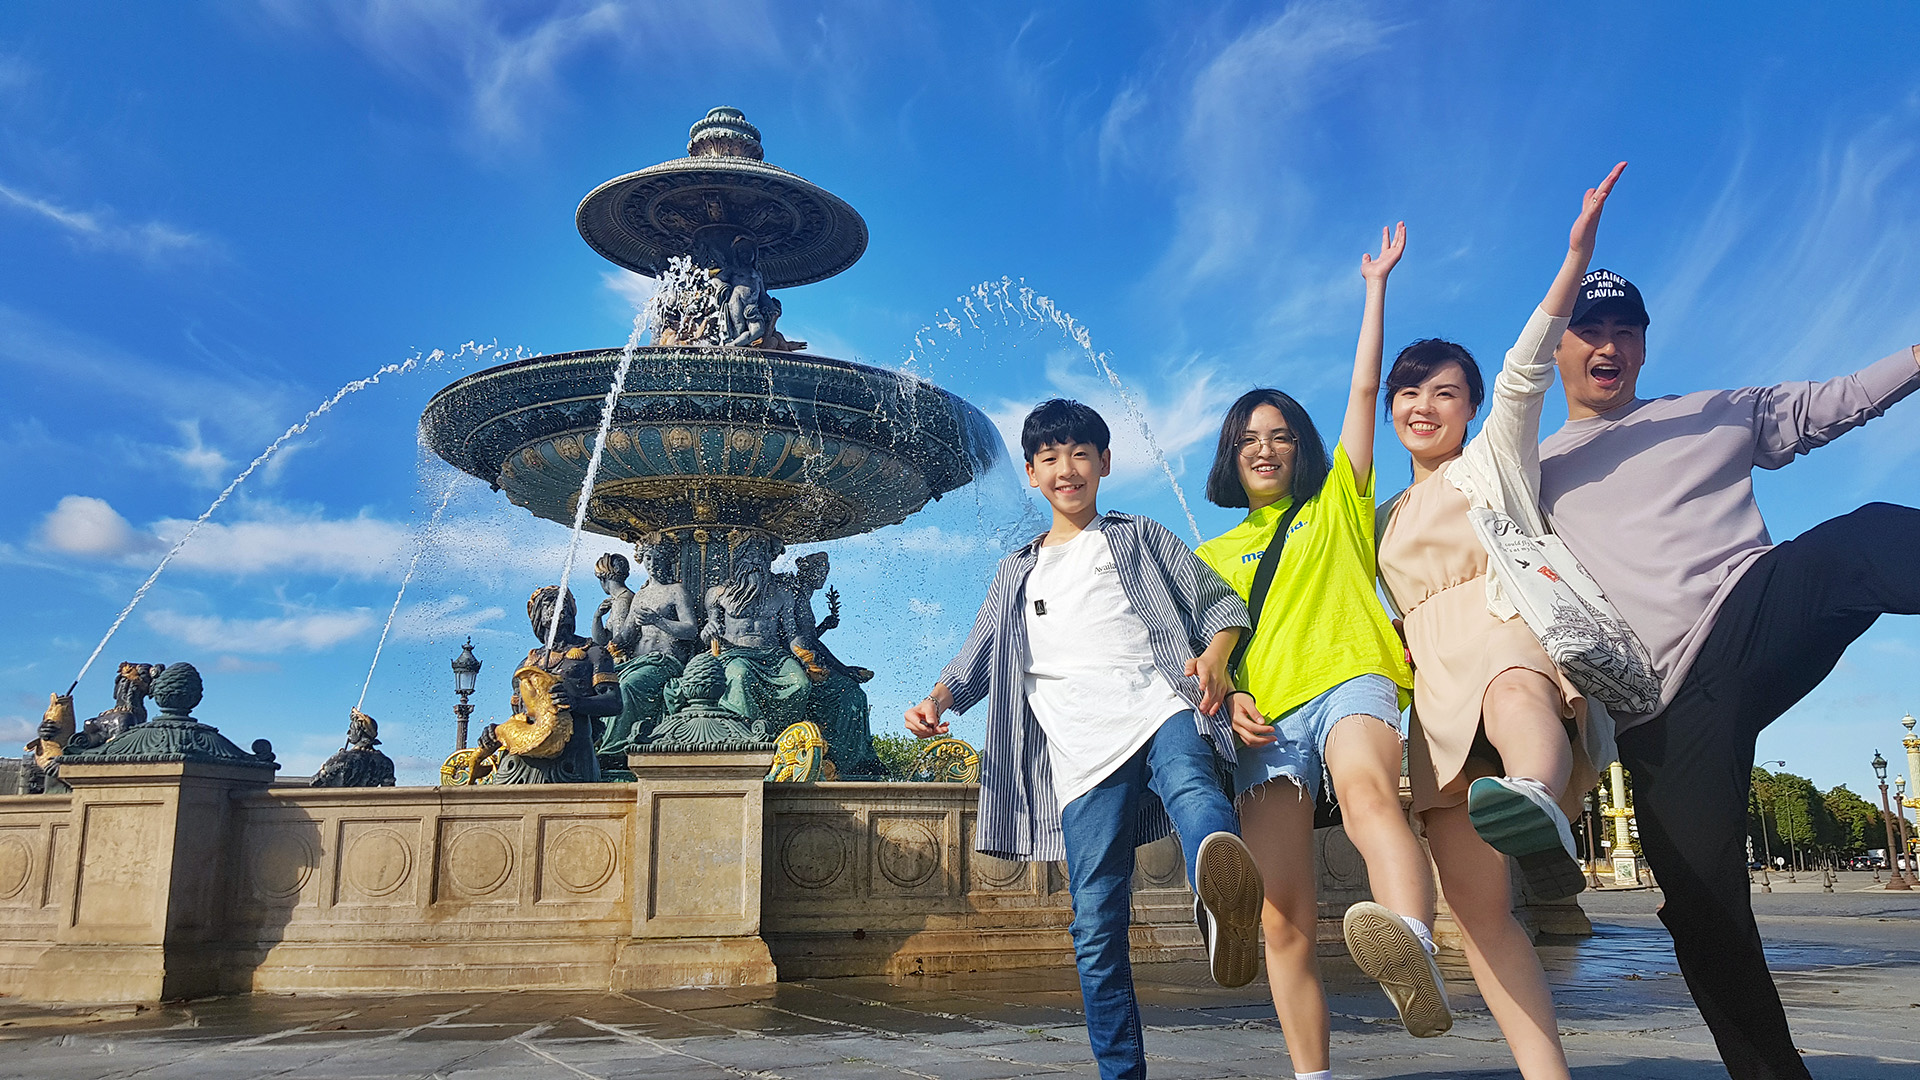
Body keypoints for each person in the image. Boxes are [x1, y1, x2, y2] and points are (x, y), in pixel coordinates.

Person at [1538, 260, 1920, 1080]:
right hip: (1662, 705)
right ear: (1558, 348)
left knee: (1865, 539)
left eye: (1625, 331)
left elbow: (1830, 404)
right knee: (1700, 906)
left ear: (1643, 346)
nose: (1608, 346)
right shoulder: (1534, 470)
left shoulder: (1709, 412)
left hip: (1750, 608)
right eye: (1589, 331)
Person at [904, 399, 1263, 1080]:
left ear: (1104, 463)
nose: (1066, 468)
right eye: (1050, 458)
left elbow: (1218, 602)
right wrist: (937, 700)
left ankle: (1221, 896)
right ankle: (1121, 1073)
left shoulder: (1138, 536)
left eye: (1079, 454)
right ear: (1033, 474)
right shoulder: (1017, 572)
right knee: (1096, 926)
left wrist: (1216, 659)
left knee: (1193, 787)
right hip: (1078, 756)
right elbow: (977, 658)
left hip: (1160, 702)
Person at [1373, 162, 1626, 1080]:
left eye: (1445, 392)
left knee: (1517, 695)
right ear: (1392, 410)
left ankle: (1540, 804)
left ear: (1472, 408)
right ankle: (1545, 1072)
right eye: (1410, 394)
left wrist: (1574, 258)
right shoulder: (1380, 519)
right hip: (1434, 696)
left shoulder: (1492, 465)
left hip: (1503, 628)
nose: (1424, 406)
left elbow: (1528, 367)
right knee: (1481, 918)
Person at [1196, 225, 1447, 1080]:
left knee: (1372, 795)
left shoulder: (1338, 499)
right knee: (1281, 918)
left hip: (1352, 678)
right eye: (1248, 440)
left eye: (1279, 435)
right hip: (1268, 720)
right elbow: (1211, 658)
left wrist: (1375, 288)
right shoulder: (1211, 556)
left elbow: (1365, 386)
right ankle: (1312, 1075)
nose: (1265, 449)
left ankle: (1411, 944)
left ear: (1301, 445)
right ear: (1232, 457)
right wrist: (1230, 699)